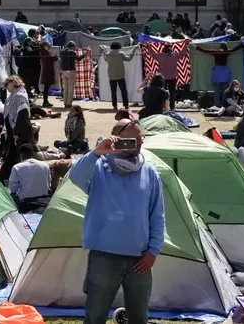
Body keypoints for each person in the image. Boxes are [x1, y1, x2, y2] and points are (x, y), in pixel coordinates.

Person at [67, 119, 165, 324]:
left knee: (139, 318)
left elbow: (157, 215)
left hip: (140, 259)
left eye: (141, 139)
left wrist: (153, 252)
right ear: (117, 139)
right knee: (95, 316)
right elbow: (75, 177)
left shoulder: (149, 172)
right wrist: (96, 152)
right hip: (104, 257)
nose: (140, 143)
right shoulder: (98, 168)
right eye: (134, 140)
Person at [0, 76, 34, 184]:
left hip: (20, 131)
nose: (7, 87)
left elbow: (22, 115)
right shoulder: (13, 96)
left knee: (22, 156)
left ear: (13, 83)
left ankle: (24, 180)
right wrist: (2, 90)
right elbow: (5, 104)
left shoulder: (20, 96)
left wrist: (15, 132)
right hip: (13, 131)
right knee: (12, 156)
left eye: (7, 84)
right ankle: (5, 179)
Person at [198, 42, 243, 107]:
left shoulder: (216, 52)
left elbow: (206, 51)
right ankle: (223, 106)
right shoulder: (226, 52)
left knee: (216, 92)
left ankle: (216, 106)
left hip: (217, 73)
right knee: (224, 92)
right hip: (224, 73)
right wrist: (241, 44)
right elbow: (234, 49)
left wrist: (197, 47)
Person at [154, 43, 186, 110]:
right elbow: (184, 52)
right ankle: (172, 108)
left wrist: (148, 45)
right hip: (172, 77)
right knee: (172, 93)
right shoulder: (175, 55)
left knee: (162, 93)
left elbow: (151, 53)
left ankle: (162, 107)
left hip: (162, 78)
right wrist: (185, 44)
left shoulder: (160, 55)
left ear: (164, 48)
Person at [104, 41, 134, 110]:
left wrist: (104, 51)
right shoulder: (120, 53)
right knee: (123, 91)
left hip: (111, 76)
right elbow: (128, 59)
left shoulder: (108, 54)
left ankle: (114, 106)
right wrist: (133, 51)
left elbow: (105, 59)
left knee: (113, 91)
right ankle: (126, 105)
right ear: (119, 47)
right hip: (120, 75)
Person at [59, 41, 86, 108]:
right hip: (71, 71)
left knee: (65, 88)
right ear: (73, 46)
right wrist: (84, 54)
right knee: (71, 88)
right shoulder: (72, 52)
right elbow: (79, 59)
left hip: (64, 71)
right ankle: (69, 103)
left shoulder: (62, 52)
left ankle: (65, 103)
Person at [38, 41, 58, 107]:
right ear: (43, 46)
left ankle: (45, 101)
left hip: (47, 71)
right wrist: (54, 56)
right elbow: (53, 58)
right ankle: (45, 101)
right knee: (46, 88)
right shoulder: (44, 52)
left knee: (46, 87)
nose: (48, 47)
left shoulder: (43, 52)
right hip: (47, 71)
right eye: (46, 45)